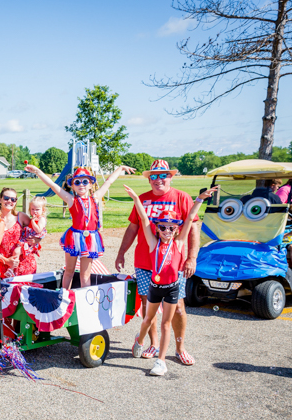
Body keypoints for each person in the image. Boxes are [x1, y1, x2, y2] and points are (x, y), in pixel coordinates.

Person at [125, 184, 220, 376]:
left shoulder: (178, 242)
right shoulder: (153, 242)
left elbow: (190, 217)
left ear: (177, 229)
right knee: (147, 319)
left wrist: (200, 199)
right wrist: (136, 198)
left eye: (171, 227)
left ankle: (161, 361)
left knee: (165, 323)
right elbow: (143, 219)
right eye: (162, 227)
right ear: (157, 229)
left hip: (172, 288)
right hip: (155, 287)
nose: (167, 230)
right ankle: (140, 340)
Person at [114, 160, 200, 364]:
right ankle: (153, 343)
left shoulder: (182, 198)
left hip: (174, 264)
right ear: (149, 179)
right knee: (148, 305)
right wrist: (121, 253)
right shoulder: (142, 199)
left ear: (170, 177)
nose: (158, 180)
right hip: (145, 262)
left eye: (163, 175)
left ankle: (180, 348)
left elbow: (193, 228)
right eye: (153, 176)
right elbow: (133, 228)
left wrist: (192, 258)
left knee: (178, 306)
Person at [25, 163, 135, 288]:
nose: (81, 184)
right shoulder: (71, 200)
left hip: (90, 239)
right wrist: (37, 171)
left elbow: (109, 182)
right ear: (72, 185)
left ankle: (85, 301)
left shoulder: (96, 197)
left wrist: (120, 168)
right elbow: (52, 185)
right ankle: (64, 296)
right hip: (74, 237)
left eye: (84, 181)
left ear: (90, 184)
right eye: (77, 182)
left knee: (85, 275)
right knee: (69, 271)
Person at [0, 187, 34, 277]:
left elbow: (36, 234)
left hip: (24, 265)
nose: (9, 201)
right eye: (6, 198)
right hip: (2, 266)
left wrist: (34, 241)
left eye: (13, 199)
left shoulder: (21, 217)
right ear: (0, 199)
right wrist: (6, 260)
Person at [9, 196, 47, 277]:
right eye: (32, 209)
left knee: (17, 251)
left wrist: (32, 221)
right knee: (16, 252)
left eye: (37, 209)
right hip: (26, 239)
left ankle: (11, 269)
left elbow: (38, 230)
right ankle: (14, 270)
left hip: (30, 241)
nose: (34, 212)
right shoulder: (32, 218)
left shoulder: (41, 219)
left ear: (43, 210)